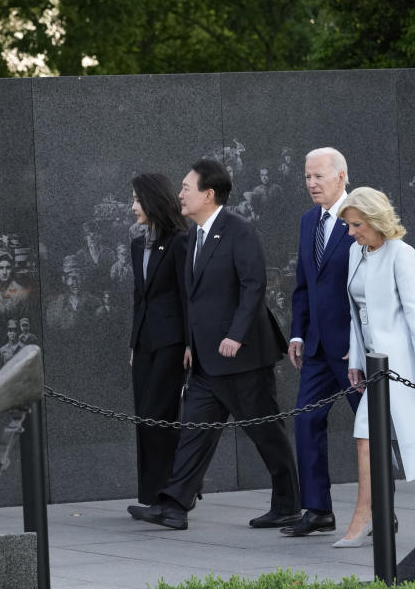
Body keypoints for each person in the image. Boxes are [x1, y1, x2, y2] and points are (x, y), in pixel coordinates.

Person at [128, 158, 300, 530]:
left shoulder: (239, 230)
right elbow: (192, 297)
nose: (180, 195)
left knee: (265, 433)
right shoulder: (192, 238)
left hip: (243, 359)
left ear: (208, 193)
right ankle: (173, 505)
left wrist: (236, 335)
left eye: (186, 189)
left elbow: (254, 285)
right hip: (206, 362)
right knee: (193, 433)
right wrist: (190, 343)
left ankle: (288, 503)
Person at [336, 187, 415, 548]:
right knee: (366, 437)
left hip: (403, 366)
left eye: (356, 224)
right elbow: (355, 313)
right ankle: (362, 519)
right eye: (348, 225)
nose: (351, 232)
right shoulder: (353, 253)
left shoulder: (402, 255)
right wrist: (356, 362)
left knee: (414, 444)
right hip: (374, 367)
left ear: (376, 220)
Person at [281, 147, 360, 537]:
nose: (311, 183)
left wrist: (364, 343)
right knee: (307, 421)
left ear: (341, 177)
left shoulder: (362, 217)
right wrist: (297, 332)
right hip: (315, 349)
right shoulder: (308, 221)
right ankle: (317, 510)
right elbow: (303, 286)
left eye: (318, 176)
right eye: (307, 176)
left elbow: (375, 291)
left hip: (354, 352)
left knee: (371, 431)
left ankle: (381, 510)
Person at [126, 172, 190, 506]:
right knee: (144, 416)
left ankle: (177, 488)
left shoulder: (181, 241)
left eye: (137, 199)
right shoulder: (138, 244)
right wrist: (134, 343)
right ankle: (152, 493)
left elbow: (186, 297)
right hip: (145, 344)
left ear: (152, 200)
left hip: (172, 344)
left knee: (159, 414)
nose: (133, 206)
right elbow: (140, 297)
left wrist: (190, 344)